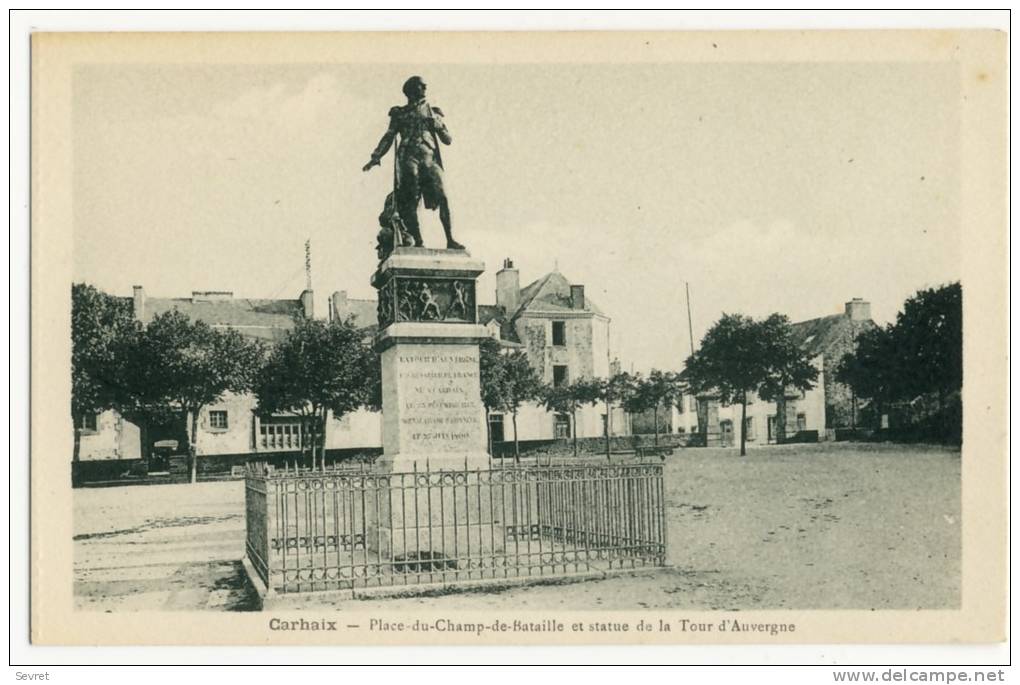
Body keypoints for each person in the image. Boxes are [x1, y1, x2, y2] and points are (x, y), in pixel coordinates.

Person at [362, 76, 465, 250]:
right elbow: (389, 136)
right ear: (410, 90)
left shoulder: (433, 112)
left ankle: (450, 238)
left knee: (443, 197)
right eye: (420, 86)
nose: (425, 88)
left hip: (429, 157)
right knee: (410, 201)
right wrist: (376, 156)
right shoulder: (400, 113)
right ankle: (418, 241)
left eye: (425, 86)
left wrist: (438, 126)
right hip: (408, 158)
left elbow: (448, 139)